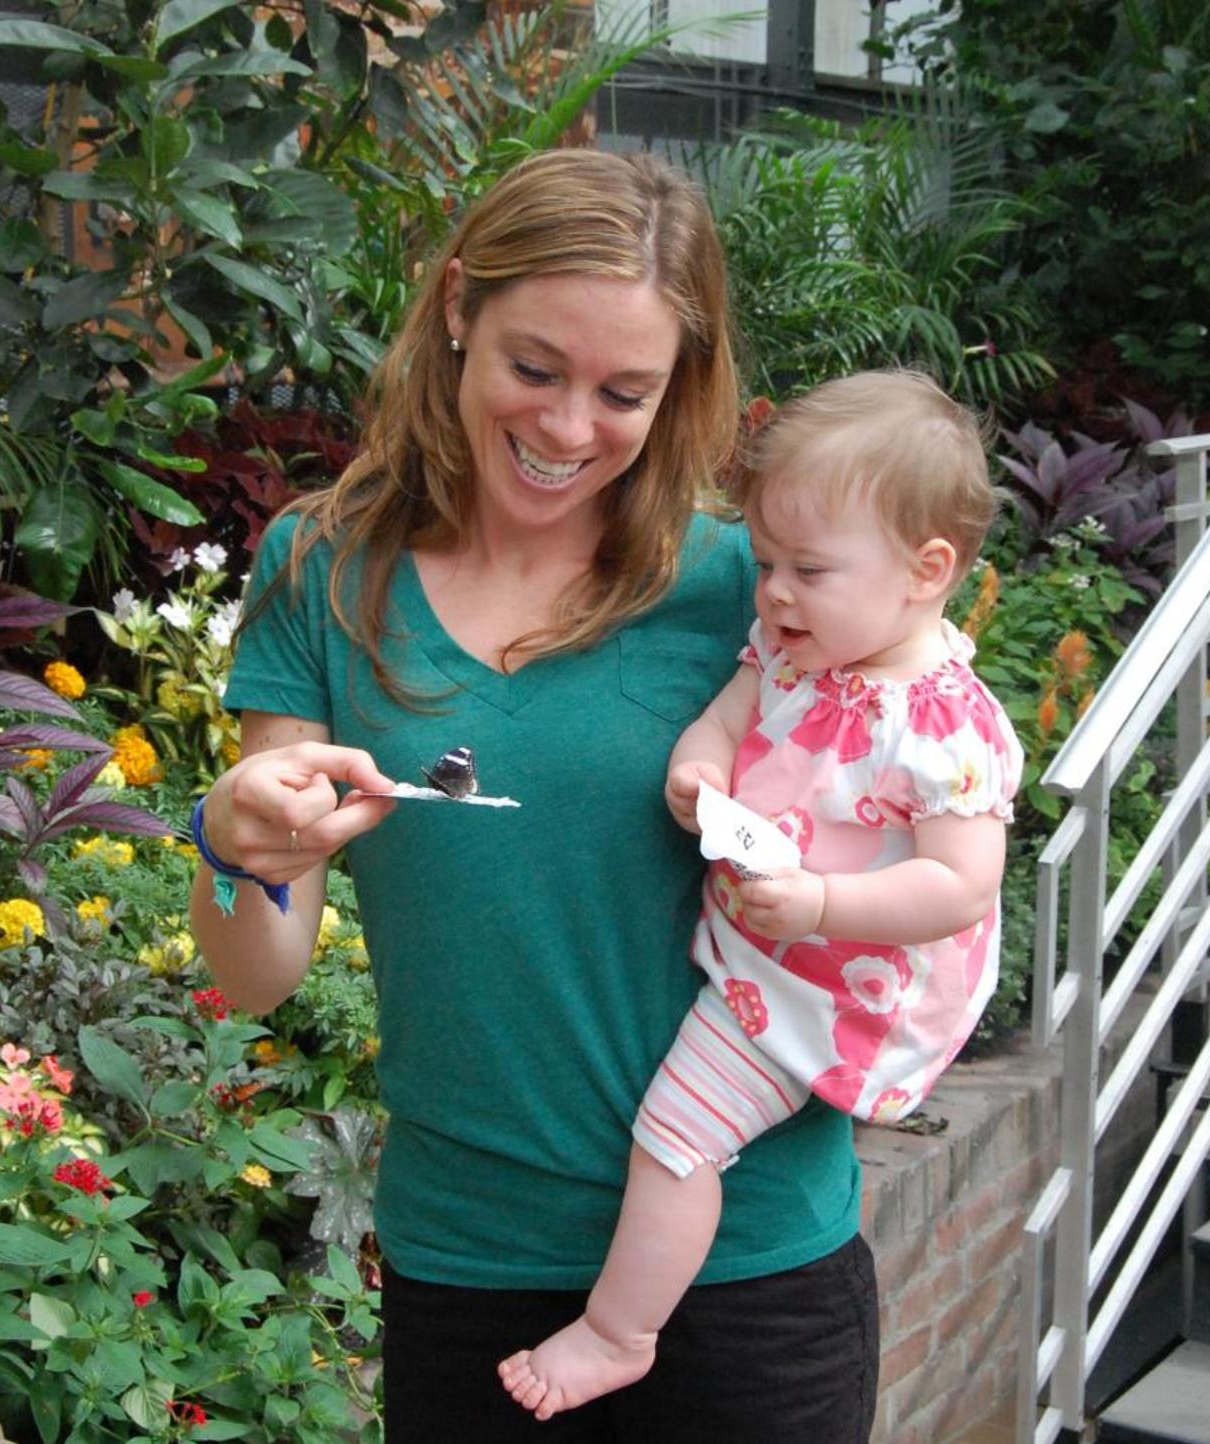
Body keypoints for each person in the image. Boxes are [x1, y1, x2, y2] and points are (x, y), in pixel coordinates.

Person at [188, 147, 880, 1444]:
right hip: (472, 1268)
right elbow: (257, 974)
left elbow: (910, 797)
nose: (568, 431)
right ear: (456, 308)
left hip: (746, 1272)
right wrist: (236, 843)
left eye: (624, 392)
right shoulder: (323, 569)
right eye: (533, 369)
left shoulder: (749, 591)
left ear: (678, 389)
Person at [499, 369, 1023, 1421]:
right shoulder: (798, 645)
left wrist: (823, 906)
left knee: (676, 1132)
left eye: (808, 568)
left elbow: (960, 886)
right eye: (766, 560)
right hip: (774, 936)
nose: (772, 588)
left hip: (830, 984)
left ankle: (617, 1332)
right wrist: (698, 769)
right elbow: (728, 719)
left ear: (927, 571)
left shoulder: (940, 726)